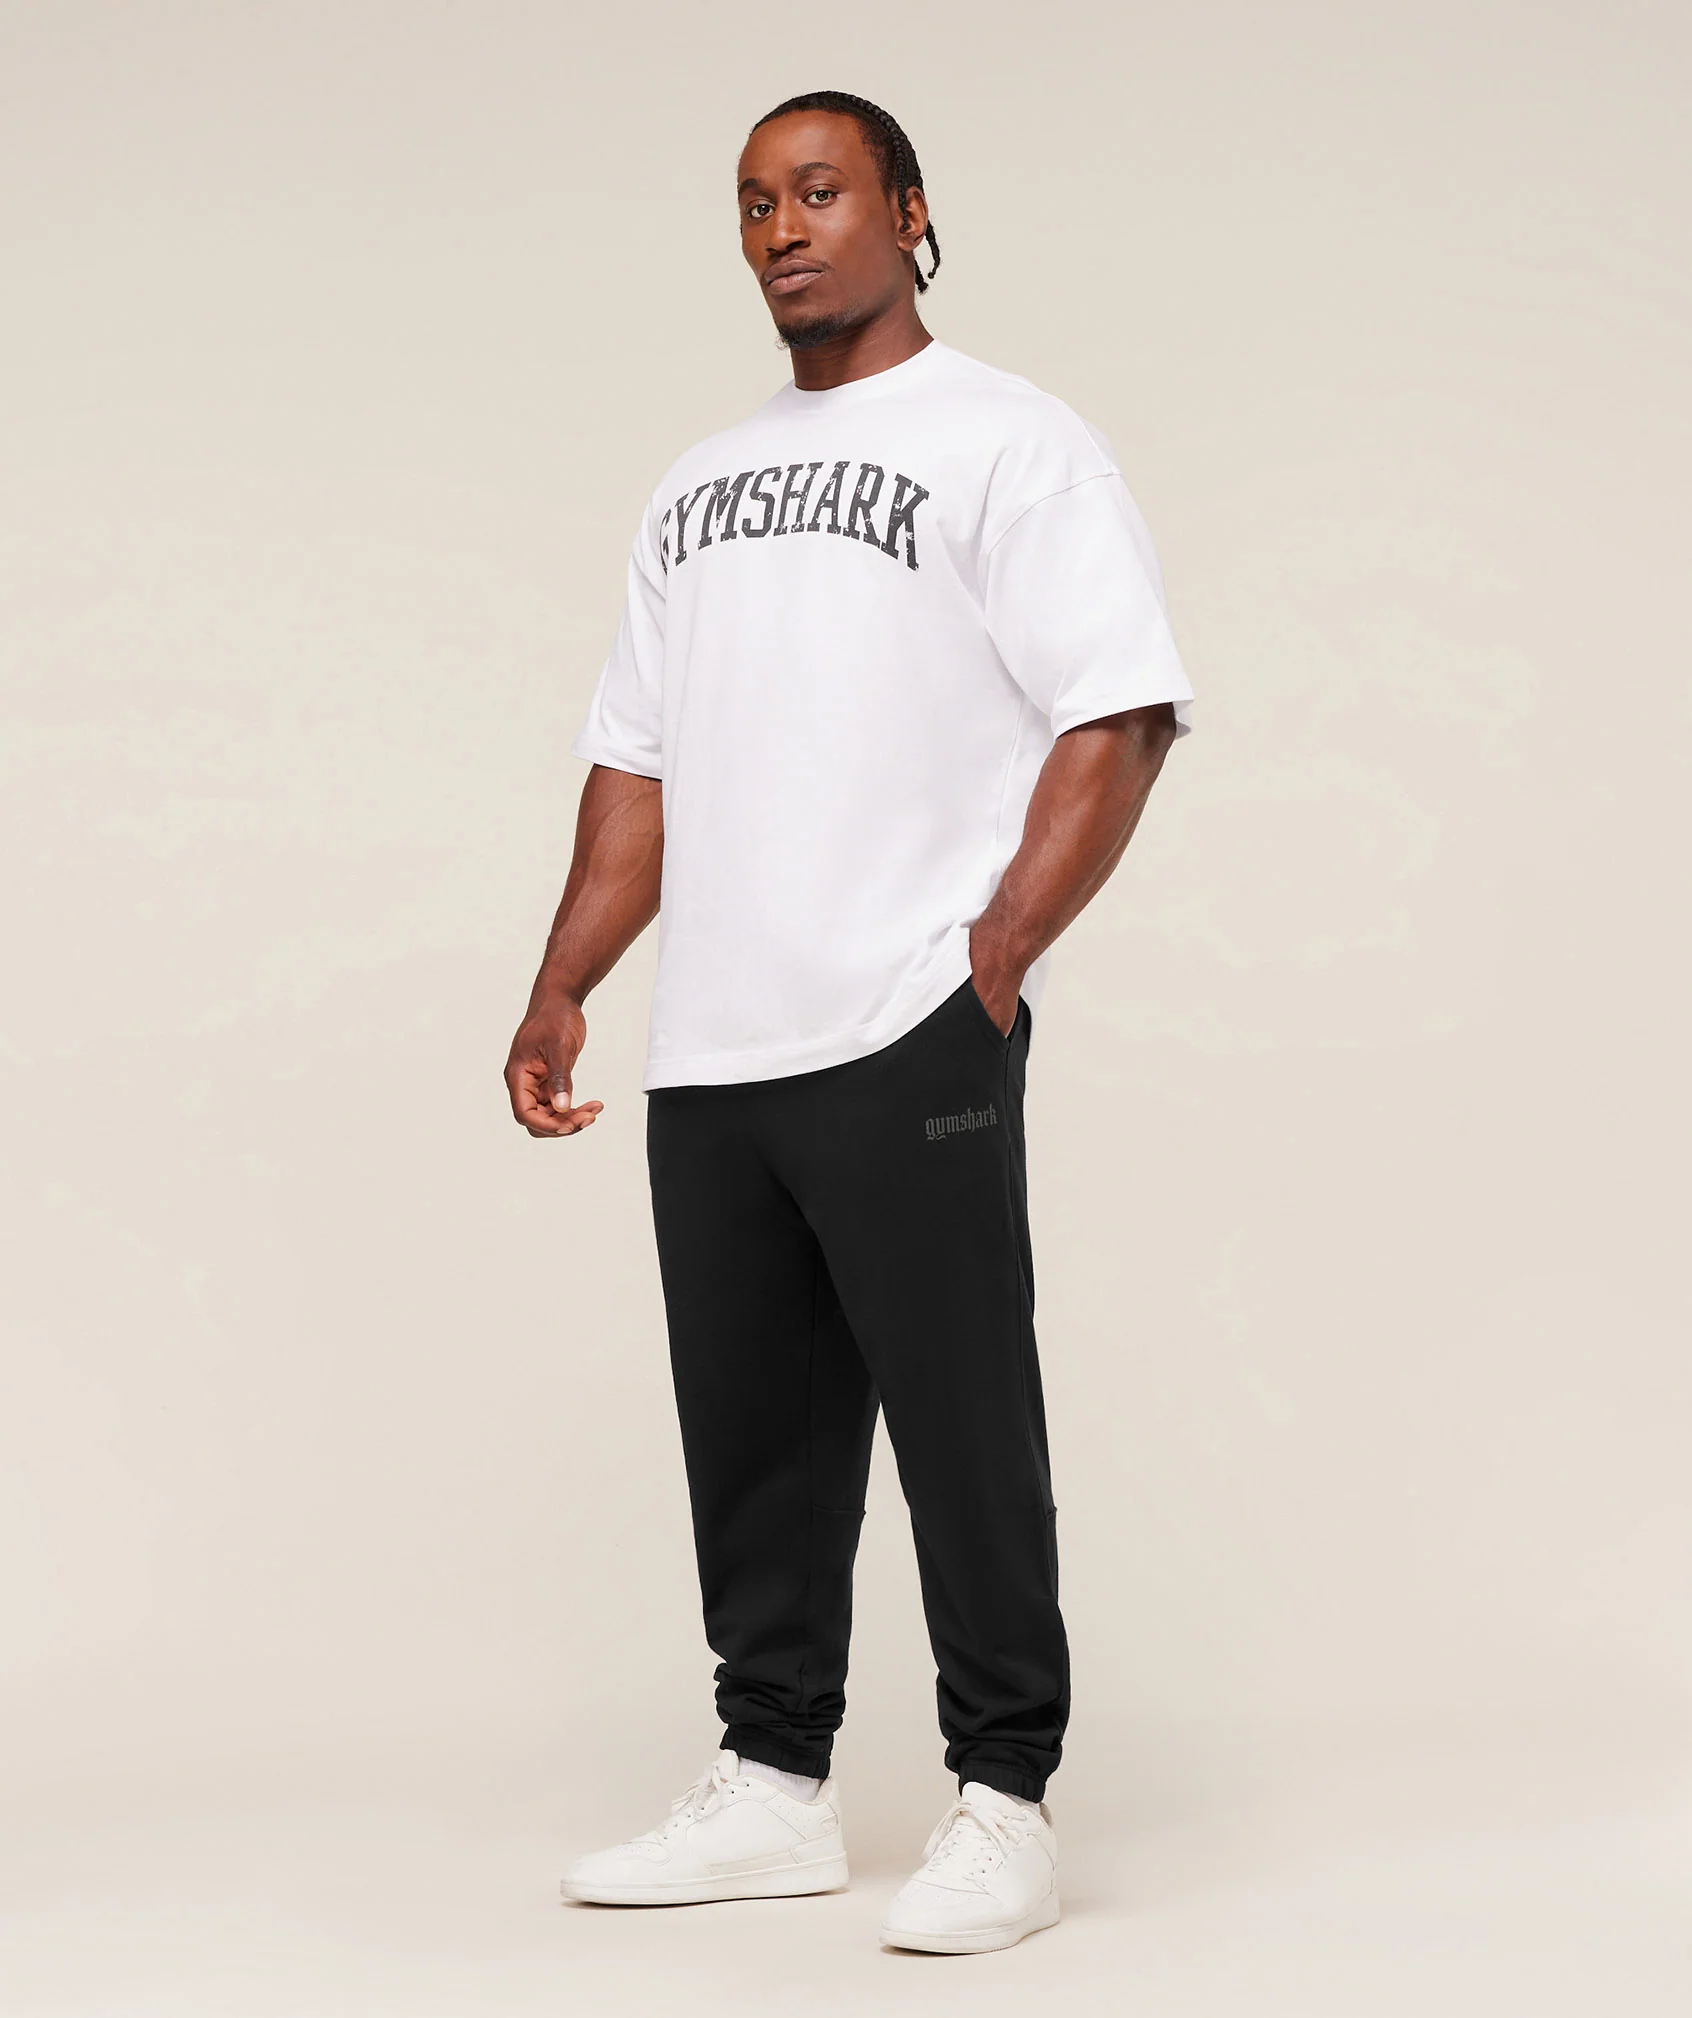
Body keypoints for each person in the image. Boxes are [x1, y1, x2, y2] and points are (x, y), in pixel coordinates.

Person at [504, 88, 1194, 1956]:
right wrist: (566, 978)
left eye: (818, 191)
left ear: (906, 208)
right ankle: (771, 1784)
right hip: (716, 1046)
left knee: (966, 1419)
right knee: (753, 1436)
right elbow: (637, 763)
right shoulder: (694, 484)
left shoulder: (1012, 442)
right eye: (753, 204)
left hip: (906, 1020)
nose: (784, 229)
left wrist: (997, 956)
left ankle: (1006, 1798)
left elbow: (1120, 708)